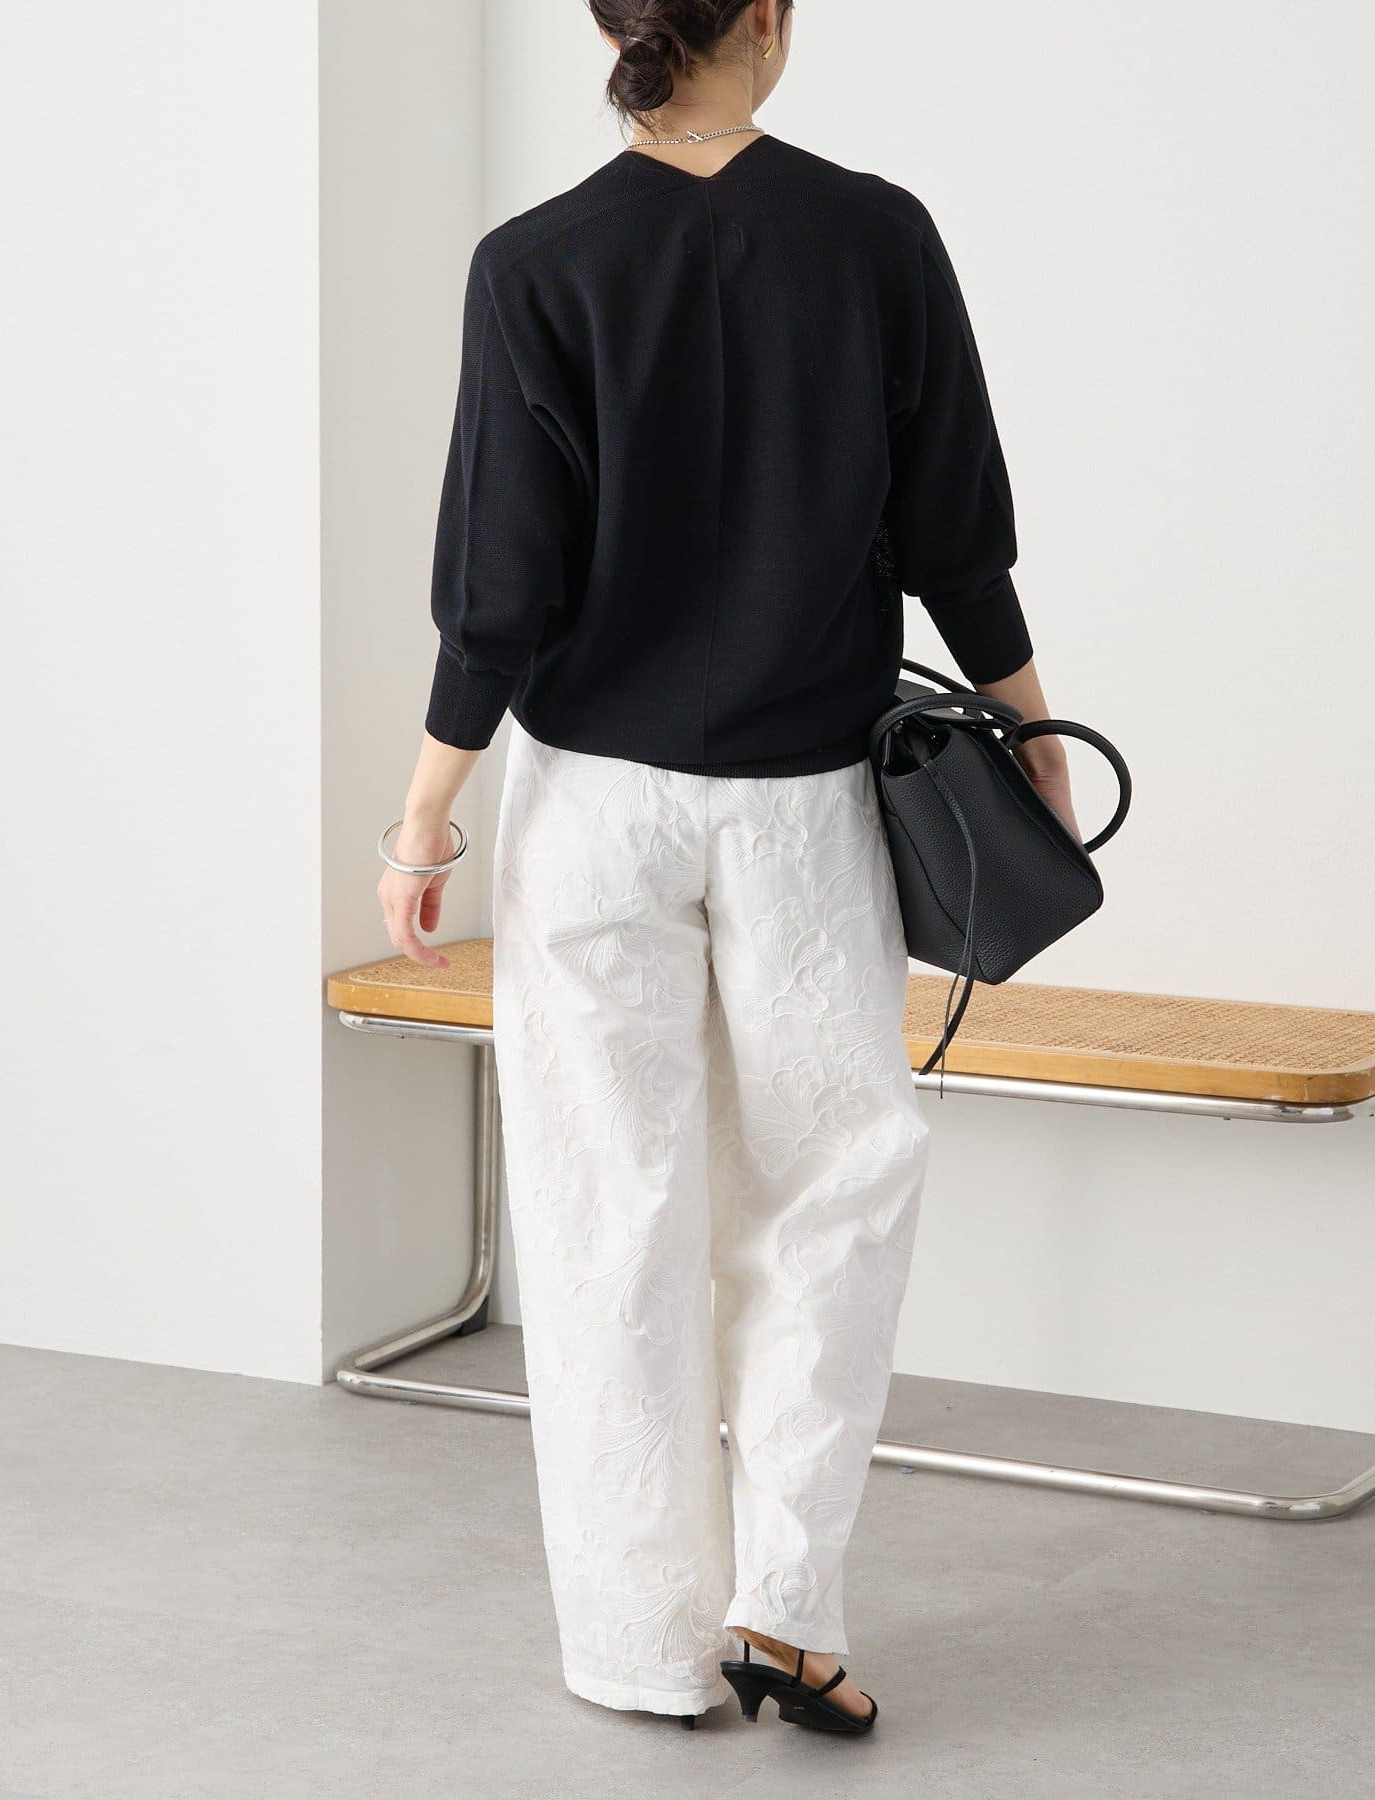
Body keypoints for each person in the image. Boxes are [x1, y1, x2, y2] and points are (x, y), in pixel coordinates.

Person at [377, 0, 1078, 1737]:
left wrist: (423, 816)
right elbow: (956, 531)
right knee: (832, 1190)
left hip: (590, 811)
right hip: (801, 805)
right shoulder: (874, 234)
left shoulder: (533, 263)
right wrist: (1031, 729)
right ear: (762, 17)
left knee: (606, 1215)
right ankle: (788, 1612)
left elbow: (498, 589)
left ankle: (641, 1648)